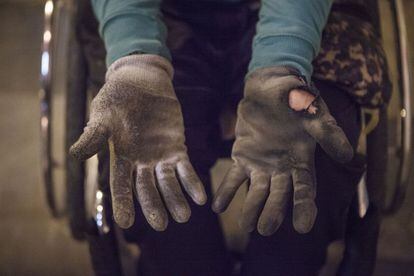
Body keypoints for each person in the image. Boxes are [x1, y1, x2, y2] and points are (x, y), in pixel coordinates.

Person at [71, 0, 391, 275]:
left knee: (312, 147)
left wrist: (282, 64)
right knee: (141, 148)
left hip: (302, 16)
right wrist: (135, 57)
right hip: (164, 14)